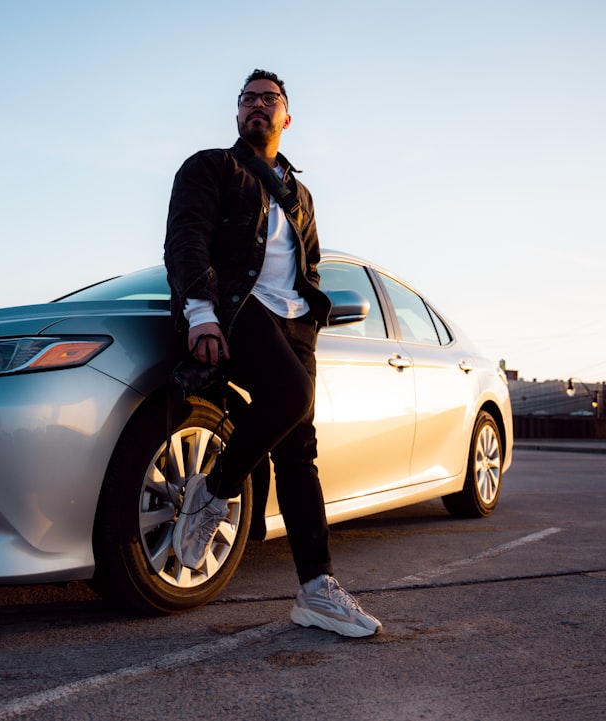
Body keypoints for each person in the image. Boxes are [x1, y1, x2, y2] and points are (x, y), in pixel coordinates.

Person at [163, 69, 382, 638]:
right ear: (238, 114)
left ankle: (317, 591)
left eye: (270, 99)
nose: (258, 106)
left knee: (299, 454)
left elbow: (308, 267)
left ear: (287, 116)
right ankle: (214, 491)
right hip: (239, 309)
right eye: (249, 99)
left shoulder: (300, 194)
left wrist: (310, 322)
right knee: (292, 394)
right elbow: (185, 240)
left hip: (294, 325)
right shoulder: (211, 167)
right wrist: (201, 312)